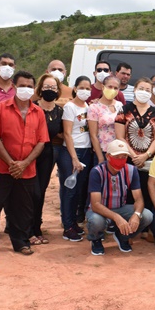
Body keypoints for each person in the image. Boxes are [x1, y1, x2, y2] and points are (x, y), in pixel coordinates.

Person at [0, 71, 48, 257]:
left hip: (27, 170)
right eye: (22, 85)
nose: (26, 89)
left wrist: (24, 163)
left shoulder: (38, 112)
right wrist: (11, 163)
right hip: (1, 169)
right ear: (15, 87)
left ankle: (21, 242)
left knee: (23, 209)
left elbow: (41, 141)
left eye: (30, 86)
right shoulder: (0, 108)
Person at [85, 140, 154, 255]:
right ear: (108, 156)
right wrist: (116, 217)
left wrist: (136, 215)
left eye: (124, 156)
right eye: (117, 157)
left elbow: (139, 199)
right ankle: (96, 239)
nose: (121, 160)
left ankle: (123, 236)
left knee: (146, 216)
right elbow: (95, 204)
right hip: (100, 210)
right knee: (96, 221)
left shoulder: (131, 170)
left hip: (120, 207)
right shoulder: (97, 172)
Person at [115, 77, 155, 213]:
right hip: (128, 159)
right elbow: (119, 136)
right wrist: (134, 156)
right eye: (141, 89)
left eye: (148, 90)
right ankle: (128, 224)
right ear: (135, 90)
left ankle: (145, 226)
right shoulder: (124, 110)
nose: (144, 92)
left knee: (147, 191)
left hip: (149, 161)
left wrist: (146, 155)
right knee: (129, 192)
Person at [58, 76, 94, 242]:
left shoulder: (88, 106)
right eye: (82, 87)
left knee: (79, 191)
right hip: (72, 152)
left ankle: (74, 223)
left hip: (86, 150)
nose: (85, 91)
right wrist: (74, 158)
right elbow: (67, 133)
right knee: (69, 191)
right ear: (75, 88)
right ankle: (67, 226)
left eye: (88, 88)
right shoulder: (70, 107)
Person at [31, 73, 64, 244]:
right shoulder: (32, 107)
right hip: (29, 153)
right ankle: (26, 229)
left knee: (40, 192)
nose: (49, 90)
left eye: (53, 87)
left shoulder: (59, 111)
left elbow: (62, 132)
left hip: (47, 153)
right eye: (46, 87)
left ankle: (36, 227)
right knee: (29, 191)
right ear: (40, 88)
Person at [88, 75, 124, 164]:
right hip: (103, 150)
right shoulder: (94, 107)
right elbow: (93, 135)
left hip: (118, 150)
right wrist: (100, 157)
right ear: (103, 87)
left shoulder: (120, 106)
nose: (112, 90)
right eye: (110, 87)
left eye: (116, 88)